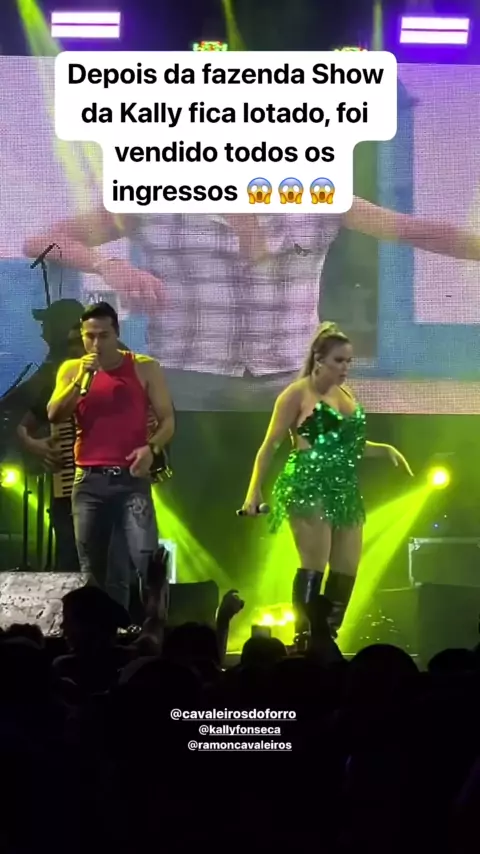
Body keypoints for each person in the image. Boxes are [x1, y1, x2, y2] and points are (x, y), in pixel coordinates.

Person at [23, 203, 480, 411]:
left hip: (288, 383)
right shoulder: (152, 195)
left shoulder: (316, 197)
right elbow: (40, 240)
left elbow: (419, 231)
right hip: (184, 382)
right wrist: (108, 265)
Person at [241, 322, 413, 646]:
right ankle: (304, 637)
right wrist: (254, 491)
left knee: (347, 567)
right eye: (338, 361)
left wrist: (385, 449)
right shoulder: (296, 393)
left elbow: (350, 445)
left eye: (349, 361)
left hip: (344, 487)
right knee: (314, 564)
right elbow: (270, 445)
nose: (345, 367)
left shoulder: (346, 394)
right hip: (309, 482)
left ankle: (326, 636)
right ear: (319, 360)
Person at [47, 301, 175, 610]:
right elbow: (54, 414)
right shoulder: (72, 370)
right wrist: (81, 380)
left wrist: (152, 448)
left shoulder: (144, 367)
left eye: (103, 336)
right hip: (89, 482)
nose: (96, 343)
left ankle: (154, 626)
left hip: (131, 479)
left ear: (116, 334)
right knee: (93, 567)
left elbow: (168, 420)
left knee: (146, 560)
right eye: (89, 336)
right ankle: (105, 631)